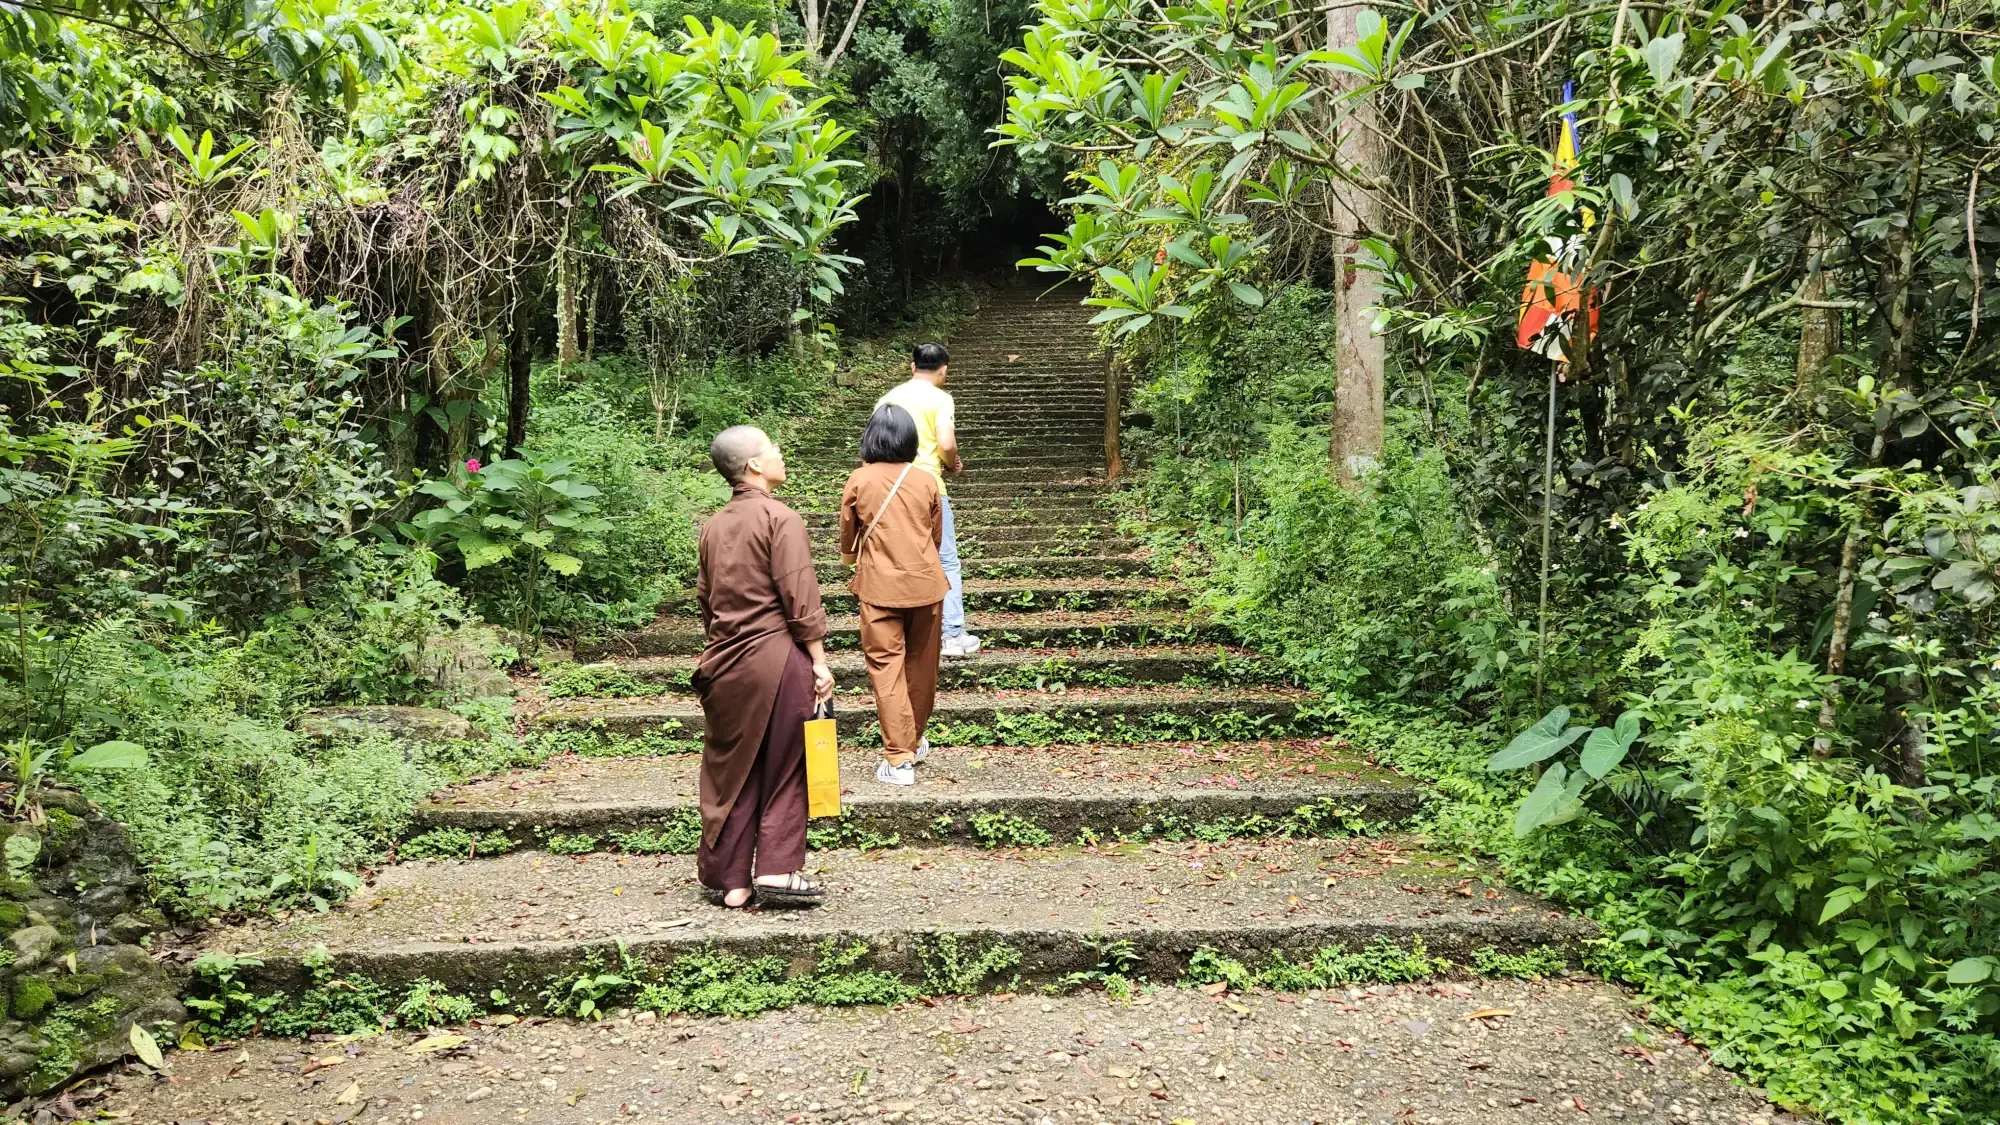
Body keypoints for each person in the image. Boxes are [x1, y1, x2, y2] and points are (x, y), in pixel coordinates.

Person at [692, 425, 837, 908]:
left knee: (734, 770)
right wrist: (818, 661)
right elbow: (800, 595)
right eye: (773, 448)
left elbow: (707, 600)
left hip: (725, 661)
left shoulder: (713, 525)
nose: (780, 454)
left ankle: (731, 880)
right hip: (777, 659)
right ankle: (776, 870)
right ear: (755, 465)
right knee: (784, 765)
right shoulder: (781, 518)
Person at [839, 405, 947, 787]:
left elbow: (848, 535)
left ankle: (899, 758)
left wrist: (851, 558)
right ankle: (911, 742)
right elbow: (935, 536)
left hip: (879, 587)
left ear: (871, 438)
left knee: (887, 669)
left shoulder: (859, 479)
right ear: (910, 440)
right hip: (926, 584)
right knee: (921, 667)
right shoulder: (926, 480)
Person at [876, 343, 980, 656]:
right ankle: (951, 634)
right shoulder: (940, 398)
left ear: (912, 366)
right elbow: (946, 443)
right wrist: (953, 462)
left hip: (887, 488)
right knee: (945, 558)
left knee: (899, 558)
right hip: (927, 488)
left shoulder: (888, 398)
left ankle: (901, 633)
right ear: (943, 370)